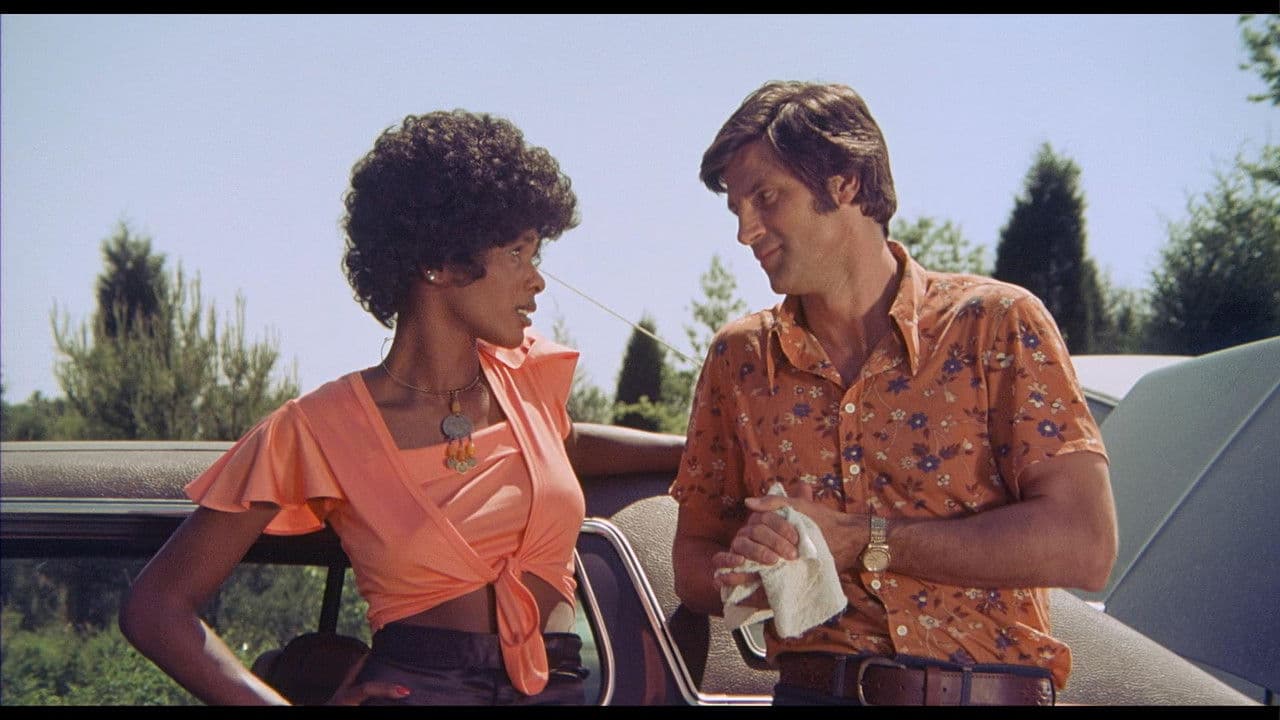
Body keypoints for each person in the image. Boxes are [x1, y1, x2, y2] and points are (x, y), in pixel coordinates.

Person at [119, 109, 685, 706]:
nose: (537, 280)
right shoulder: (316, 430)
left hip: (559, 689)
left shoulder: (528, 381)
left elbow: (563, 445)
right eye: (518, 254)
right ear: (437, 262)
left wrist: (695, 451)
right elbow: (156, 609)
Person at [670, 80, 1118, 706]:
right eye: (736, 208)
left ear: (846, 182)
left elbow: (1085, 544)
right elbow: (692, 560)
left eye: (766, 197)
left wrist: (864, 539)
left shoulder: (996, 324)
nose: (746, 231)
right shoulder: (739, 359)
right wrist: (745, 571)